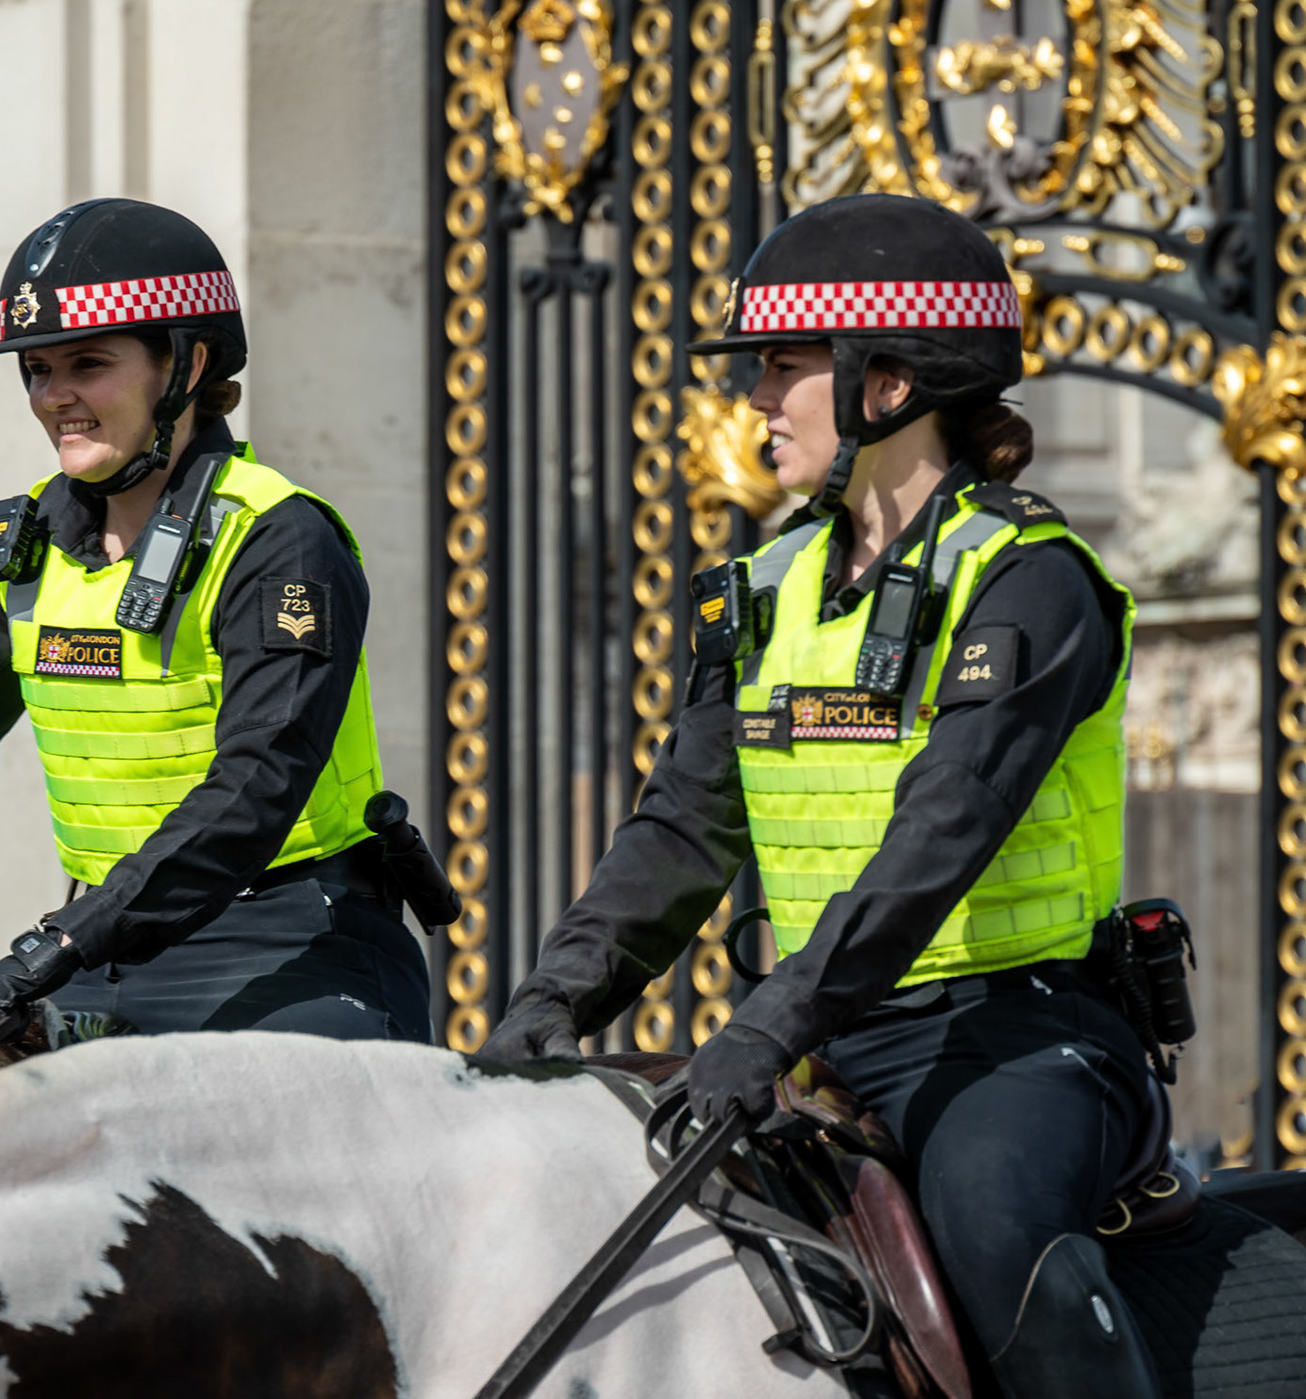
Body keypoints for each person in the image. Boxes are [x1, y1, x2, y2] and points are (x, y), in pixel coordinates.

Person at [480, 194, 1160, 1397]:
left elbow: (940, 836)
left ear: (886, 385)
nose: (752, 398)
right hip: (818, 1035)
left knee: (999, 1234)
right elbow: (684, 827)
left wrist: (767, 1024)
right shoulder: (759, 586)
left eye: (782, 365)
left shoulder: (1029, 583)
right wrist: (552, 1001)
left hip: (1011, 1040)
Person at [0, 197, 431, 1043]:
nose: (57, 398)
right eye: (37, 371)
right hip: (104, 952)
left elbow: (260, 780)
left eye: (88, 364)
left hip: (289, 946)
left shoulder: (281, 538)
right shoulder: (21, 540)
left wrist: (62, 943)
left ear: (186, 369)